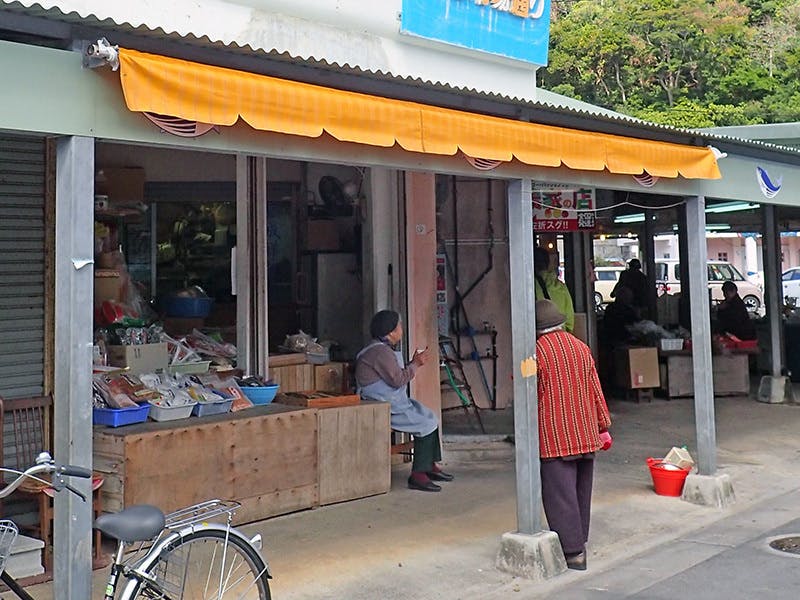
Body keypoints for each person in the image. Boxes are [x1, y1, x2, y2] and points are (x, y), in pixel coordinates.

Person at [535, 299, 612, 570]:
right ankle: (581, 538)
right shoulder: (581, 348)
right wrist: (603, 426)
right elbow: (596, 390)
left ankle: (573, 552)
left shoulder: (536, 354)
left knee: (560, 494)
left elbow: (529, 395)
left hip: (555, 436)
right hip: (585, 432)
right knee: (581, 491)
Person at [355, 310, 453, 492]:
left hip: (392, 402)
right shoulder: (379, 352)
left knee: (430, 417)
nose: (401, 329)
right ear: (391, 331)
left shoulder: (381, 350)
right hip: (382, 406)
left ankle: (430, 465)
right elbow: (398, 379)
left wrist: (413, 363)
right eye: (399, 326)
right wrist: (416, 364)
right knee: (424, 424)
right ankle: (418, 475)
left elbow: (394, 375)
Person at [534, 246, 575, 333]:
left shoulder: (528, 287)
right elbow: (570, 320)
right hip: (560, 334)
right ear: (548, 264)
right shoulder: (561, 287)